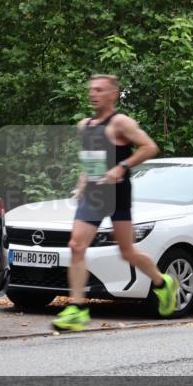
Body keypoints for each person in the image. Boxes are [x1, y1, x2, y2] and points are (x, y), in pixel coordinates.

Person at [52, 75, 179, 331]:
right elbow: (92, 159)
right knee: (76, 245)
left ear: (113, 94)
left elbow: (149, 147)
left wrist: (121, 167)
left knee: (126, 251)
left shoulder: (121, 123)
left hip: (118, 193)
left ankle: (162, 283)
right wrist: (83, 180)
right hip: (94, 194)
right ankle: (77, 309)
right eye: (91, 90)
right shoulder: (85, 126)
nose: (93, 94)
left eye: (99, 90)